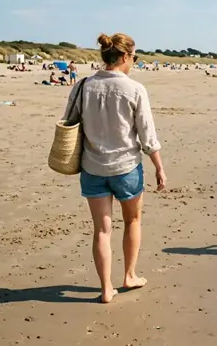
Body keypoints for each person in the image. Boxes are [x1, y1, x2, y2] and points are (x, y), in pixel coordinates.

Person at [64, 32, 166, 304]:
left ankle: (106, 288)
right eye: (133, 57)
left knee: (101, 230)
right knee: (132, 220)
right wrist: (159, 167)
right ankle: (129, 275)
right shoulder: (134, 89)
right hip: (126, 168)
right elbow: (147, 136)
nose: (133, 62)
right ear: (124, 56)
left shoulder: (83, 85)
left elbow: (69, 121)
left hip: (93, 167)